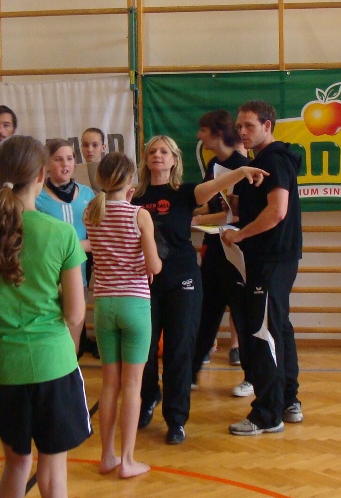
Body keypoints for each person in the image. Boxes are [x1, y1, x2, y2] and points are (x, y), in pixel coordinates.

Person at [0, 135, 91, 498]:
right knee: (53, 475)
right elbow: (75, 314)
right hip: (53, 365)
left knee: (16, 465)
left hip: (2, 368)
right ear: (42, 175)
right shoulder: (61, 233)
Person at [133, 134, 267, 445]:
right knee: (145, 351)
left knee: (179, 350)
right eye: (152, 151)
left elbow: (217, 185)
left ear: (174, 159)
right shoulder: (135, 197)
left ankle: (176, 419)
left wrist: (242, 171)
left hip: (183, 281)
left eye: (164, 151)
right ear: (146, 159)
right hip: (146, 282)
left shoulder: (185, 192)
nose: (157, 155)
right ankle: (149, 397)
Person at [221, 100, 304, 436]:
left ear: (267, 126)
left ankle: (267, 414)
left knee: (263, 332)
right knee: (279, 327)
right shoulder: (257, 163)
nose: (242, 132)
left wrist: (240, 235)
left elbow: (277, 211)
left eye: (249, 126)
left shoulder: (274, 160)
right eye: (239, 126)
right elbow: (249, 210)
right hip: (272, 258)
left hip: (272, 258)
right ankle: (287, 400)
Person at [83, 152, 161, 478]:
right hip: (135, 304)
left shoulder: (91, 213)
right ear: (130, 180)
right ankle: (127, 460)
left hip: (104, 304)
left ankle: (107, 456)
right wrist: (149, 264)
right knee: (132, 386)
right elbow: (154, 265)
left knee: (109, 385)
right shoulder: (139, 215)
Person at [190, 110, 250, 391]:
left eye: (203, 131)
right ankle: (190, 372)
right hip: (214, 247)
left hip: (237, 249)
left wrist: (196, 220)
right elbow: (211, 204)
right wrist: (186, 212)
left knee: (242, 314)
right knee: (206, 310)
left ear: (217, 134)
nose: (199, 136)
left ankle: (252, 377)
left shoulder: (243, 166)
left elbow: (235, 215)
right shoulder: (213, 164)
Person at [36, 138, 97, 355]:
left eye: (70, 159)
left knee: (73, 341)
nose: (65, 164)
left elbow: (99, 236)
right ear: (46, 164)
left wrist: (82, 246)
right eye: (58, 159)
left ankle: (71, 370)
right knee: (49, 339)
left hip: (79, 275)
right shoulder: (37, 196)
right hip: (46, 278)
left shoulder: (88, 194)